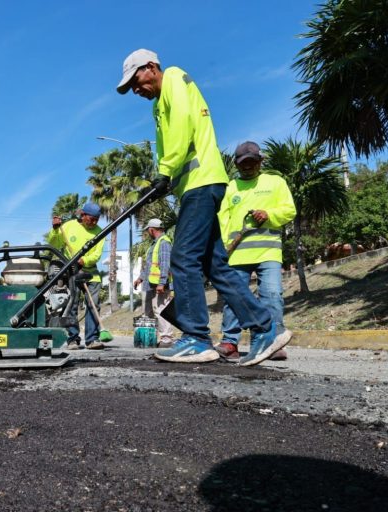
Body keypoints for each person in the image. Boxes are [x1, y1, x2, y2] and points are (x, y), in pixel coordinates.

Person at [116, 48, 291, 366]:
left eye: (135, 81)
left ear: (151, 67)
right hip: (195, 186)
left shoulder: (174, 78)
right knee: (217, 266)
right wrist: (166, 182)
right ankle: (265, 329)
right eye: (130, 87)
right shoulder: (158, 103)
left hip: (202, 183)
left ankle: (196, 338)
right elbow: (172, 142)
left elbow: (183, 126)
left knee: (183, 258)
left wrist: (165, 171)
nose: (135, 89)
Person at [217, 141, 297, 361]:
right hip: (236, 254)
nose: (248, 167)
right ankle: (230, 342)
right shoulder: (230, 188)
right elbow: (222, 220)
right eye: (243, 163)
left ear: (261, 161)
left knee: (271, 295)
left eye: (252, 162)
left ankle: (271, 342)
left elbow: (289, 210)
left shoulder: (275, 182)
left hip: (268, 252)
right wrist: (223, 248)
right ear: (236, 164)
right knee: (234, 298)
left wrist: (269, 214)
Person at [47, 202, 106, 350]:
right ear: (83, 215)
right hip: (71, 272)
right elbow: (55, 243)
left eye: (96, 220)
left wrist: (84, 260)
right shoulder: (69, 226)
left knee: (93, 305)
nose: (94, 223)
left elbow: (97, 254)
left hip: (91, 273)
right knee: (71, 305)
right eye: (91, 219)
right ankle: (72, 339)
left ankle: (92, 339)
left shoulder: (100, 231)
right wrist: (55, 229)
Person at [133, 218, 175, 348]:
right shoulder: (154, 244)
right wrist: (140, 278)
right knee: (148, 312)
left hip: (159, 285)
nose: (147, 233)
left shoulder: (164, 243)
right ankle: (150, 339)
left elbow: (165, 264)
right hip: (150, 284)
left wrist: (162, 282)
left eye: (148, 231)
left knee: (161, 311)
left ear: (151, 230)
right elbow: (150, 265)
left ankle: (166, 339)